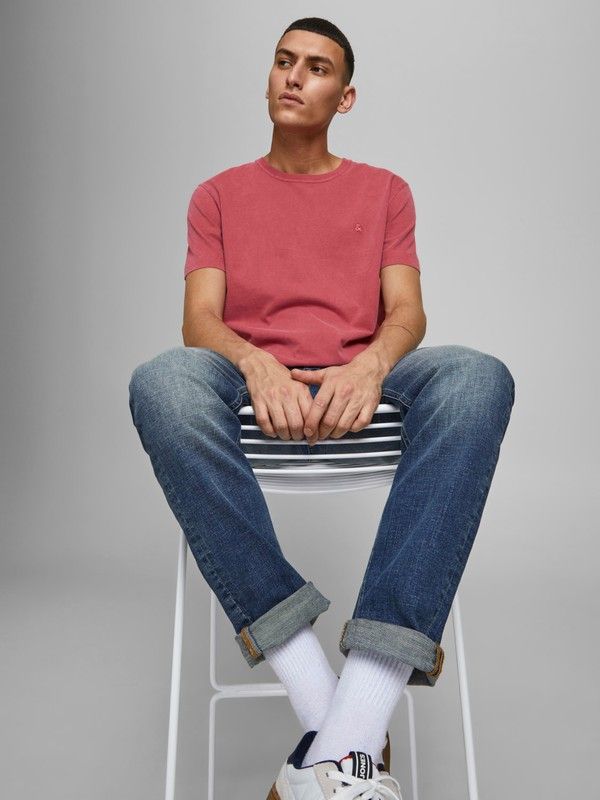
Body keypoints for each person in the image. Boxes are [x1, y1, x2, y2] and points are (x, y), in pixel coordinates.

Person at [128, 16, 515, 800]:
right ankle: (345, 728)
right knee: (161, 382)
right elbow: (199, 322)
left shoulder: (385, 190)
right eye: (283, 61)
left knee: (479, 379)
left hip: (361, 388)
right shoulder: (217, 195)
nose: (294, 76)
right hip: (250, 389)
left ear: (346, 97)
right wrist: (256, 362)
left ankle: (334, 739)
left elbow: (407, 313)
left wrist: (370, 365)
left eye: (317, 67)